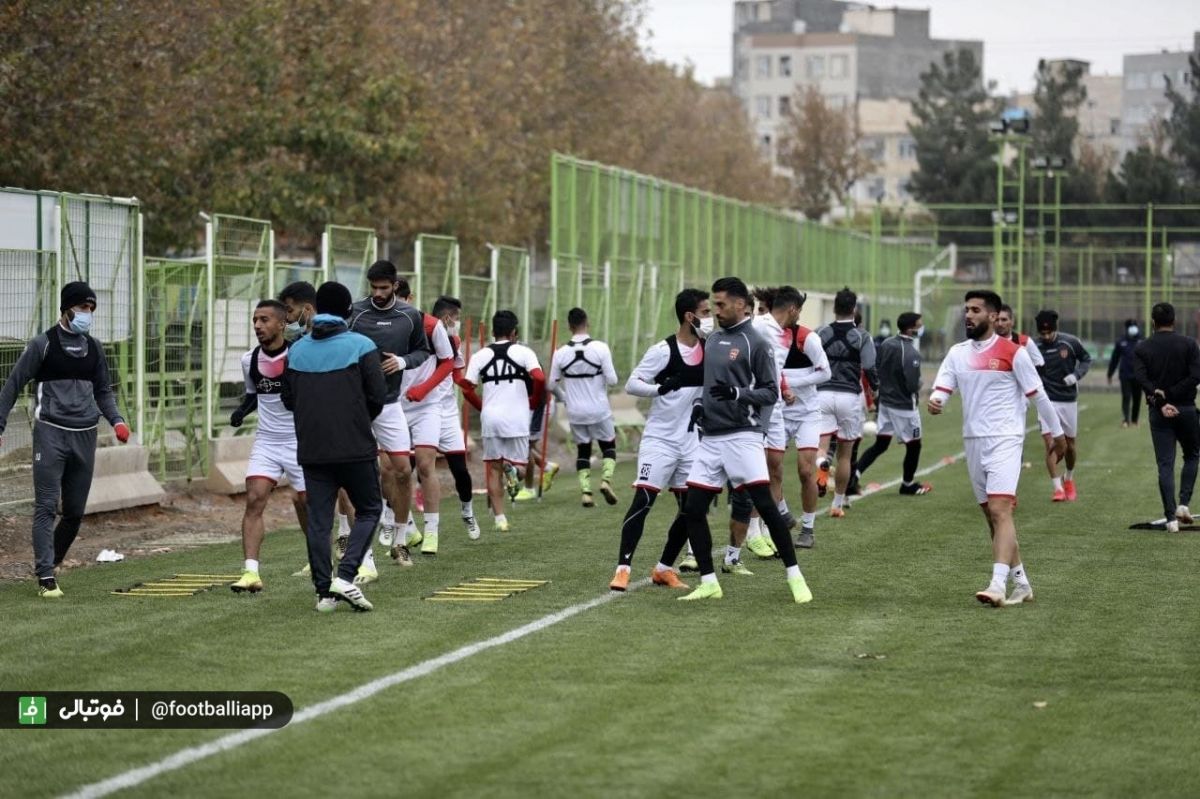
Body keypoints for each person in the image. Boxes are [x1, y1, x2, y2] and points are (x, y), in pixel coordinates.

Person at [675, 276, 812, 604]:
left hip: (743, 435)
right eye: (714, 304)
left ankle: (795, 576)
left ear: (740, 304)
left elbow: (770, 392)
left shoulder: (757, 342)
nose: (716, 310)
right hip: (711, 438)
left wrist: (737, 394)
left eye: (721, 304)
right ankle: (709, 582)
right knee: (692, 509)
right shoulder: (714, 339)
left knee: (765, 506)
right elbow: (710, 385)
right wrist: (700, 405)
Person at [928, 290, 1065, 607]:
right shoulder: (957, 353)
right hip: (973, 440)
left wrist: (1057, 435)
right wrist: (936, 401)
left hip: (1006, 439)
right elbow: (942, 389)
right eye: (967, 309)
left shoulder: (1014, 352)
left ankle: (996, 585)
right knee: (992, 518)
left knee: (1000, 510)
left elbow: (1039, 396)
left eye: (975, 310)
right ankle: (1022, 583)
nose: (968, 315)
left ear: (992, 316)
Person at [0, 281, 131, 598]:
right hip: (50, 433)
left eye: (91, 309)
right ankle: (45, 575)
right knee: (46, 506)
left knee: (74, 512)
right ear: (66, 309)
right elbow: (13, 384)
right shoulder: (42, 344)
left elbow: (103, 391)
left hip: (85, 436)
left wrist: (117, 420)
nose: (88, 314)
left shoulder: (95, 348)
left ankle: (52, 562)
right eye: (83, 307)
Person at [282, 282, 386, 612]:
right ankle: (346, 574)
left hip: (312, 449)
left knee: (319, 521)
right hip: (355, 446)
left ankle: (323, 594)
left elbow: (288, 399)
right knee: (369, 509)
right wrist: (357, 420)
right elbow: (378, 396)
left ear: (314, 308)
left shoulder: (296, 351)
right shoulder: (362, 345)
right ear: (349, 311)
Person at [609, 288, 711, 592]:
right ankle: (622, 570)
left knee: (692, 510)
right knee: (643, 501)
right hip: (660, 441)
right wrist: (659, 389)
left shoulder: (710, 348)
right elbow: (632, 384)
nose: (711, 318)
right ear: (690, 316)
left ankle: (664, 569)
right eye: (706, 312)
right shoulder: (662, 351)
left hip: (691, 442)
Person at [348, 261, 431, 566]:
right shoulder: (356, 313)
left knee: (403, 471)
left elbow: (422, 351)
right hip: (356, 404)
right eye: (374, 287)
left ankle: (400, 540)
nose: (378, 293)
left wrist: (402, 361)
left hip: (390, 403)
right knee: (352, 473)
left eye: (384, 288)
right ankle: (353, 544)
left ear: (396, 286)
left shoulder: (410, 316)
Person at [228, 300, 308, 594]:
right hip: (267, 442)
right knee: (254, 498)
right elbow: (254, 394)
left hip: (299, 441)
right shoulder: (249, 359)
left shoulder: (299, 355)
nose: (258, 326)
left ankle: (319, 558)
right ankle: (251, 572)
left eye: (264, 320)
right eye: (255, 320)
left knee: (306, 502)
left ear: (282, 323)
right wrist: (241, 411)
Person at [462, 310, 546, 532]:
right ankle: (514, 472)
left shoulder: (480, 355)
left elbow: (467, 388)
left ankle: (500, 519)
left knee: (493, 469)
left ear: (493, 331)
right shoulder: (524, 352)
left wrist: (482, 407)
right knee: (520, 466)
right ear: (514, 332)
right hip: (517, 417)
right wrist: (534, 400)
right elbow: (539, 377)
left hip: (491, 417)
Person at [393, 287, 456, 555]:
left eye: (400, 298)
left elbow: (448, 362)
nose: (396, 303)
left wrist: (424, 388)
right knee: (390, 470)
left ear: (410, 298)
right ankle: (407, 528)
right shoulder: (380, 324)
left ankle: (431, 531)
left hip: (426, 406)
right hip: (393, 406)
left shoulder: (430, 325)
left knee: (425, 464)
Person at [1132, 302, 1200, 533]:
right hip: (1186, 409)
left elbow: (1141, 379)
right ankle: (1183, 504)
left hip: (1159, 412)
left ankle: (1171, 518)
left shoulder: (1142, 347)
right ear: (1174, 321)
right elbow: (1196, 376)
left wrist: (1162, 400)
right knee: (1192, 455)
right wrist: (1172, 394)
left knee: (1165, 464)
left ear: (1153, 322)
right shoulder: (1189, 344)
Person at [852, 312, 933, 496]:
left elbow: (876, 367)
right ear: (911, 329)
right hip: (904, 406)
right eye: (919, 325)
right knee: (914, 445)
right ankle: (908, 484)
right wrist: (920, 384)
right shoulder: (911, 353)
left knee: (881, 444)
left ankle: (854, 476)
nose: (921, 328)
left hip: (886, 403)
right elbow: (912, 385)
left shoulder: (887, 343)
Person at [815, 287, 878, 517]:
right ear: (854, 309)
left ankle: (821, 464)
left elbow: (809, 360)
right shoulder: (862, 336)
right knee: (845, 454)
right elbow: (869, 367)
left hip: (822, 393)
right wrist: (876, 389)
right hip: (849, 396)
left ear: (834, 308)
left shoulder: (820, 332)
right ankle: (837, 505)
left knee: (821, 446)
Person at [549, 307, 619, 508]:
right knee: (608, 446)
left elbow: (550, 385)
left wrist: (565, 397)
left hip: (575, 412)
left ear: (569, 326)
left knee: (583, 450)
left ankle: (586, 492)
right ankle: (605, 481)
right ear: (587, 323)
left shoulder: (560, 353)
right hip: (599, 409)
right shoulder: (600, 348)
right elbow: (613, 380)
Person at [1034, 309, 1092, 502]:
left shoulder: (1070, 342)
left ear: (1055, 328)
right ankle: (1057, 488)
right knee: (1051, 443)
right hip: (1045, 400)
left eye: (1049, 332)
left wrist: (1076, 375)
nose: (1046, 336)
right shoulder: (1033, 347)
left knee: (1069, 446)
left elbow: (1086, 359)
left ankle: (1068, 479)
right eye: (1042, 333)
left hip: (1067, 400)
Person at [1109, 318, 1144, 428]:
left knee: (1137, 398)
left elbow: (1148, 358)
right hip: (1125, 375)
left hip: (1138, 375)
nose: (1132, 328)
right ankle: (1126, 420)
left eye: (1134, 326)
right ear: (1127, 328)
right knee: (1126, 397)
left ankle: (1134, 420)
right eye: (1130, 326)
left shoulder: (1142, 341)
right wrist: (1110, 374)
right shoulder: (1121, 341)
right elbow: (1115, 358)